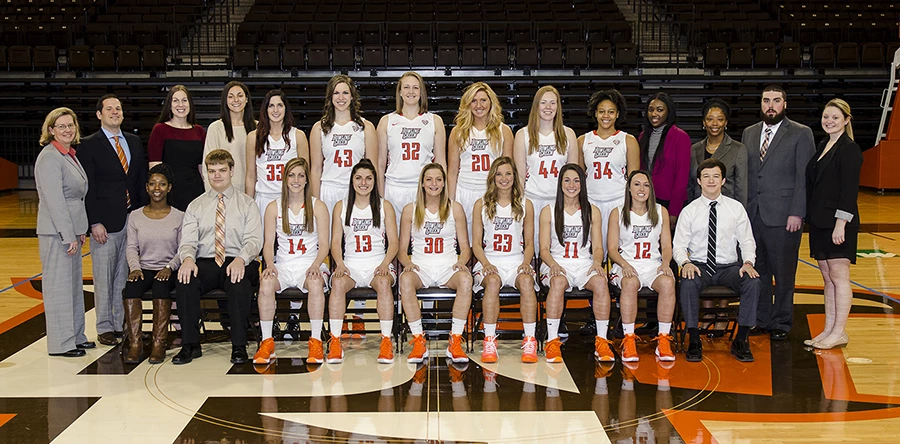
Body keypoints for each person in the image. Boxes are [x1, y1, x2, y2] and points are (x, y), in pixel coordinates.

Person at [174, 149, 262, 365]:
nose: (217, 175)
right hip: (206, 261)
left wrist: (242, 258)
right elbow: (188, 241)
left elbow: (253, 239)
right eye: (212, 171)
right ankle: (190, 344)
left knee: (238, 281)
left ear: (232, 171)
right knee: (185, 280)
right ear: (205, 173)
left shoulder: (247, 203)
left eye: (222, 170)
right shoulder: (196, 205)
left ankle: (239, 345)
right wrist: (187, 259)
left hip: (238, 258)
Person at [742, 85, 815, 341]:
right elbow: (748, 175)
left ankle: (782, 322)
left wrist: (797, 212)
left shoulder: (800, 133)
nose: (770, 105)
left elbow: (803, 177)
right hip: (754, 215)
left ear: (785, 104)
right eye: (765, 101)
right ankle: (761, 319)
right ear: (760, 104)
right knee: (758, 271)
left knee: (784, 273)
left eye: (776, 100)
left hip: (785, 216)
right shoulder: (749, 133)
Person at [77, 94, 148, 346]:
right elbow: (89, 187)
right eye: (109, 109)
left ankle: (120, 323)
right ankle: (105, 326)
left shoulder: (133, 141)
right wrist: (93, 222)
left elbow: (139, 181)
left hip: (132, 219)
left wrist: (142, 215)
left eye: (118, 108)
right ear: (99, 114)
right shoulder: (88, 144)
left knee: (124, 275)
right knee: (104, 277)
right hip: (105, 223)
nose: (115, 112)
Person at [675, 158, 760, 362]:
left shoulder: (736, 208)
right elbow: (679, 246)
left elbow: (747, 240)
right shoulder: (689, 211)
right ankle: (694, 339)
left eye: (716, 176)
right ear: (698, 181)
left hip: (729, 268)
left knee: (753, 282)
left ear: (723, 181)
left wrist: (748, 262)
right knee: (687, 283)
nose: (711, 180)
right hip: (700, 266)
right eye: (706, 176)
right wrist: (685, 263)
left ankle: (741, 339)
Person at [252, 157, 331, 366]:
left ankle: (315, 340)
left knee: (315, 282)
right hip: (284, 264)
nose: (296, 180)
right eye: (292, 175)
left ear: (306, 179)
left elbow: (324, 244)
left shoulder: (318, 206)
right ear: (285, 178)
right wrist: (269, 265)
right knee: (266, 283)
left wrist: (315, 265)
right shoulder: (273, 207)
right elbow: (268, 244)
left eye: (301, 175)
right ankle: (267, 341)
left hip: (310, 263)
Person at [398, 163, 472, 364]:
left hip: (448, 268)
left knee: (466, 279)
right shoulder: (410, 210)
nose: (434, 184)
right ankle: (418, 340)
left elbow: (465, 247)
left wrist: (462, 262)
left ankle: (455, 340)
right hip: (421, 268)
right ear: (422, 183)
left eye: (438, 179)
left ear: (444, 183)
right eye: (429, 179)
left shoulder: (454, 208)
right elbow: (401, 250)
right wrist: (407, 263)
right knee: (405, 280)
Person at [804, 99, 863, 350]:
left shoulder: (849, 149)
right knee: (828, 279)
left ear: (846, 120)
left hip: (839, 223)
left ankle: (839, 332)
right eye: (826, 117)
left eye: (835, 117)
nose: (829, 121)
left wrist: (841, 224)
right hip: (820, 222)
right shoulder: (823, 145)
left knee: (840, 277)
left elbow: (849, 191)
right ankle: (829, 329)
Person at [328, 159, 399, 363]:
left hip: (377, 263)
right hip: (351, 263)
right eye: (358, 178)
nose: (363, 182)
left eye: (368, 178)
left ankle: (386, 340)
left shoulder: (385, 206)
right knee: (338, 283)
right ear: (351, 181)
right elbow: (335, 242)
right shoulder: (341, 207)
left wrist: (385, 264)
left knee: (384, 282)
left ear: (375, 181)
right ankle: (335, 341)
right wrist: (340, 264)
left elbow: (393, 242)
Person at [539, 164, 610, 363]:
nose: (572, 185)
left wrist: (597, 262)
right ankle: (552, 341)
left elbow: (598, 248)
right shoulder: (549, 211)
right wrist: (553, 264)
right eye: (567, 180)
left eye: (576, 180)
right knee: (558, 282)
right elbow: (543, 249)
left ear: (583, 183)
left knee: (601, 283)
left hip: (584, 263)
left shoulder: (591, 210)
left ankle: (602, 341)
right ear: (560, 183)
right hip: (557, 262)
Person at [35, 107, 91, 357]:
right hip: (57, 234)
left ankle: (76, 336)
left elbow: (76, 198)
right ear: (51, 130)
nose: (68, 130)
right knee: (58, 288)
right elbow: (55, 201)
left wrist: (79, 230)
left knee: (71, 288)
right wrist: (67, 235)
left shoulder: (68, 154)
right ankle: (61, 344)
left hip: (70, 231)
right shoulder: (49, 157)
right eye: (62, 126)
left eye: (71, 125)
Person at [471, 157, 538, 363]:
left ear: (515, 177)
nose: (504, 178)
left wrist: (526, 263)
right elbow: (476, 244)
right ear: (492, 177)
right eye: (499, 174)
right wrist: (486, 264)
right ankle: (489, 341)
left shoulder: (526, 204)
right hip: (489, 259)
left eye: (508, 173)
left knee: (526, 281)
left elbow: (529, 244)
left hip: (516, 260)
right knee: (492, 281)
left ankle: (529, 340)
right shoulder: (480, 204)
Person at [607, 170, 677, 362]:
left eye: (646, 185)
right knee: (629, 283)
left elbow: (667, 246)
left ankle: (663, 339)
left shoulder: (660, 211)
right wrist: (624, 264)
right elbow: (612, 249)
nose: (641, 189)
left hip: (652, 265)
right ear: (629, 188)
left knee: (668, 283)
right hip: (627, 264)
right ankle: (629, 340)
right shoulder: (618, 213)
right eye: (637, 184)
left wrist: (665, 263)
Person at [123, 164, 183, 364]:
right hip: (143, 268)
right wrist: (135, 268)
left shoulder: (179, 216)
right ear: (146, 187)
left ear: (170, 187)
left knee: (161, 287)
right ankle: (136, 344)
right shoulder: (135, 216)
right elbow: (131, 247)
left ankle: (159, 344)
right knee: (131, 288)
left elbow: (183, 250)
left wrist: (169, 267)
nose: (157, 188)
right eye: (153, 184)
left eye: (162, 184)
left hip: (168, 269)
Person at [513, 85, 578, 248]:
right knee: (533, 247)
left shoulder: (568, 134)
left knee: (556, 249)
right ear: (536, 106)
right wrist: (520, 205)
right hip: (532, 199)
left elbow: (573, 176)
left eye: (552, 103)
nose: (548, 107)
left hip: (559, 201)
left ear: (558, 107)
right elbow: (520, 176)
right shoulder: (523, 135)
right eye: (543, 103)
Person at [378, 71, 447, 222]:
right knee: (395, 240)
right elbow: (380, 164)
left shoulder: (434, 121)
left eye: (415, 88)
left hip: (423, 189)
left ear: (421, 92)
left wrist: (443, 193)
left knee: (421, 240)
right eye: (406, 87)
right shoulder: (387, 121)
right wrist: (381, 197)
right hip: (394, 188)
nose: (411, 92)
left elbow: (441, 161)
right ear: (400, 92)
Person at [448, 82, 514, 238]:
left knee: (490, 240)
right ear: (467, 104)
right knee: (465, 241)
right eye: (474, 100)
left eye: (483, 100)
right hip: (464, 190)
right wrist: (450, 202)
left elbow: (509, 171)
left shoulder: (503, 130)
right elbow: (452, 171)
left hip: (491, 191)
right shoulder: (458, 131)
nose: (479, 105)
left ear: (491, 102)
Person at [578, 89, 639, 257]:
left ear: (618, 114)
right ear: (595, 113)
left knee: (618, 251)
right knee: (591, 252)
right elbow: (578, 178)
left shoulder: (628, 140)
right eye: (602, 111)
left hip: (618, 201)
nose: (606, 116)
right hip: (591, 202)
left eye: (611, 112)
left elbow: (635, 179)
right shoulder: (583, 140)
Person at [310, 74, 378, 216]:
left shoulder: (366, 127)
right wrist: (315, 201)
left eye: (345, 93)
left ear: (352, 96)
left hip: (357, 190)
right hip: (329, 189)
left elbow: (373, 168)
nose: (341, 98)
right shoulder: (319, 128)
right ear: (330, 97)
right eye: (336, 93)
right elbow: (316, 169)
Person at [246, 89, 309, 220]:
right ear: (265, 110)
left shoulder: (298, 136)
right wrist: (248, 204)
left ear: (286, 109)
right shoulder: (253, 137)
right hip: (263, 198)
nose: (276, 110)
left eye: (280, 105)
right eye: (271, 106)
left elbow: (305, 174)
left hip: (289, 198)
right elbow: (251, 176)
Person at [148, 85, 207, 211]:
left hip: (195, 191)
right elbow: (154, 167)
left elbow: (202, 167)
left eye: (184, 100)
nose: (181, 104)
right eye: (176, 100)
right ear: (169, 105)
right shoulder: (160, 129)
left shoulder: (199, 131)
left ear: (190, 104)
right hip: (170, 192)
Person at [638, 92, 691, 224]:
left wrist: (674, 211)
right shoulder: (643, 136)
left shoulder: (681, 137)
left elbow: (682, 177)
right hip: (647, 200)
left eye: (660, 110)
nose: (654, 114)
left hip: (669, 203)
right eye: (651, 110)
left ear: (669, 112)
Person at [688, 99, 748, 206]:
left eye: (720, 119)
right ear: (704, 122)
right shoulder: (694, 149)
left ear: (725, 122)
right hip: (698, 210)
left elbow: (741, 190)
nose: (715, 123)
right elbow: (690, 186)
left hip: (727, 211)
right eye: (710, 119)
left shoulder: (738, 149)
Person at [203, 81, 255, 193]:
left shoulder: (259, 128)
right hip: (225, 191)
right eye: (231, 96)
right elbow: (207, 165)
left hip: (255, 191)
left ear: (246, 99)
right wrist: (212, 194)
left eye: (240, 95)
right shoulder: (216, 128)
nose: (236, 100)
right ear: (225, 101)